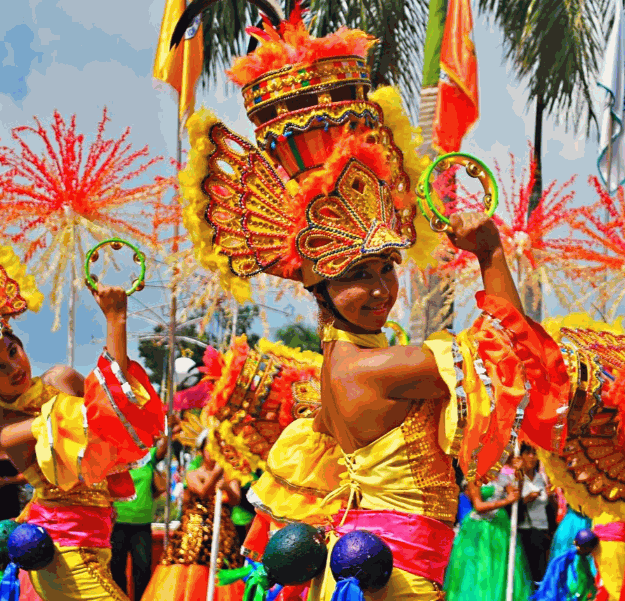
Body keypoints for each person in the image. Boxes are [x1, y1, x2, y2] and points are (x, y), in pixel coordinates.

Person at [179, 11, 569, 598]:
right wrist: (490, 254)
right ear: (319, 287)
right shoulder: (374, 370)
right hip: (393, 579)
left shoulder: (341, 368)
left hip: (387, 567)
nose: (382, 288)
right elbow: (512, 357)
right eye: (358, 275)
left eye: (387, 267)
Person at [0, 215, 164, 600]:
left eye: (12, 352)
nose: (13, 367)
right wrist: (115, 321)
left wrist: (115, 318)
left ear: (19, 343)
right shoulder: (12, 430)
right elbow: (76, 428)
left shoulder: (61, 378)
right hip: (64, 557)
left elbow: (113, 411)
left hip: (95, 544)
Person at [141, 431, 245, 601]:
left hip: (223, 534)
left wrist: (225, 484)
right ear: (201, 451)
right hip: (195, 532)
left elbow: (235, 500)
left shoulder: (230, 475)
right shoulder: (193, 473)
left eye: (217, 449)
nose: (212, 453)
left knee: (225, 568)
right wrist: (216, 476)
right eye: (209, 448)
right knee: (188, 568)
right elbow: (203, 492)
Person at [443, 460, 533, 601]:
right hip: (478, 529)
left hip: (500, 528)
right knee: (477, 567)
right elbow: (478, 505)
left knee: (499, 566)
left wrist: (520, 472)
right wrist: (505, 501)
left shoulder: (502, 476)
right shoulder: (474, 476)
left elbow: (516, 494)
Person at [110, 420, 175, 601]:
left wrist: (168, 427)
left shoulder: (147, 456)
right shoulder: (114, 457)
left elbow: (162, 447)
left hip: (142, 523)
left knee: (143, 569)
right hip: (118, 522)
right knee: (116, 568)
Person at [515, 445, 552, 582]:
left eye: (534, 453)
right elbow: (511, 502)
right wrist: (526, 499)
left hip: (542, 531)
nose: (532, 457)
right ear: (521, 456)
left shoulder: (541, 477)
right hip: (524, 531)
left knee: (540, 573)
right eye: (527, 453)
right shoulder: (517, 477)